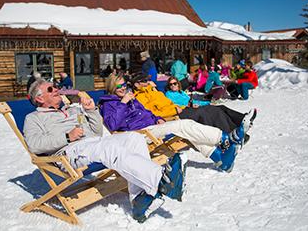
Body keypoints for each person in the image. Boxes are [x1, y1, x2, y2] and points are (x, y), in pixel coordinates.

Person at [24, 79, 187, 223]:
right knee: (111, 149)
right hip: (70, 152)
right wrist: (67, 137)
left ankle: (138, 200)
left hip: (93, 143)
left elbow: (96, 133)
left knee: (134, 138)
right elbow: (34, 145)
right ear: (39, 98)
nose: (57, 89)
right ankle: (161, 180)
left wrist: (91, 111)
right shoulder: (33, 118)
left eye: (56, 86)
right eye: (51, 89)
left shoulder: (71, 109)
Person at [99, 74, 249, 173]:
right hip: (138, 135)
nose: (124, 88)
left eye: (124, 84)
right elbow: (112, 125)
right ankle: (225, 139)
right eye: (119, 86)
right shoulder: (109, 104)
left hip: (152, 126)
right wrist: (123, 103)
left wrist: (156, 117)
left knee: (186, 132)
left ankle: (221, 160)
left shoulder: (130, 98)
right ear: (112, 87)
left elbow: (146, 111)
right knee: (183, 125)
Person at [164, 75, 256, 134]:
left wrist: (207, 102)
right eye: (171, 84)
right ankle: (231, 131)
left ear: (178, 84)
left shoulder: (181, 92)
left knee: (221, 107)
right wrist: (189, 105)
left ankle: (243, 119)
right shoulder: (168, 94)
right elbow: (174, 105)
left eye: (174, 83)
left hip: (193, 107)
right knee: (216, 111)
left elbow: (193, 101)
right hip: (186, 111)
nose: (173, 85)